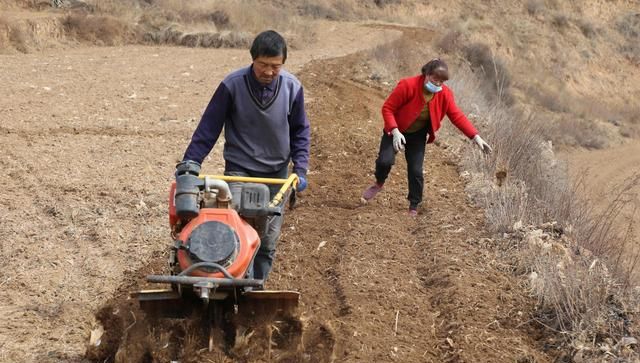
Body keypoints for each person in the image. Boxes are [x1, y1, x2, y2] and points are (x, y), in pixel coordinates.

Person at [178, 30, 310, 283]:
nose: (269, 72)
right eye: (263, 65)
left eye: (276, 66)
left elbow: (300, 131)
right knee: (235, 229)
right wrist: (192, 162)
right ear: (253, 59)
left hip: (277, 175)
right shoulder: (232, 84)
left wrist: (300, 169)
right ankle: (230, 283)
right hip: (240, 169)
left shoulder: (292, 87)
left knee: (267, 239)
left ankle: (255, 289)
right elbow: (209, 127)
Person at [362, 58, 492, 216]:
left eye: (441, 81)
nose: (437, 84)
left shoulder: (445, 94)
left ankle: (414, 205)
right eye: (434, 79)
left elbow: (457, 116)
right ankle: (379, 182)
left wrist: (476, 137)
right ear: (426, 74)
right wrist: (395, 131)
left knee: (416, 170)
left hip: (417, 135)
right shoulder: (408, 85)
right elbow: (387, 108)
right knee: (385, 161)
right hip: (396, 129)